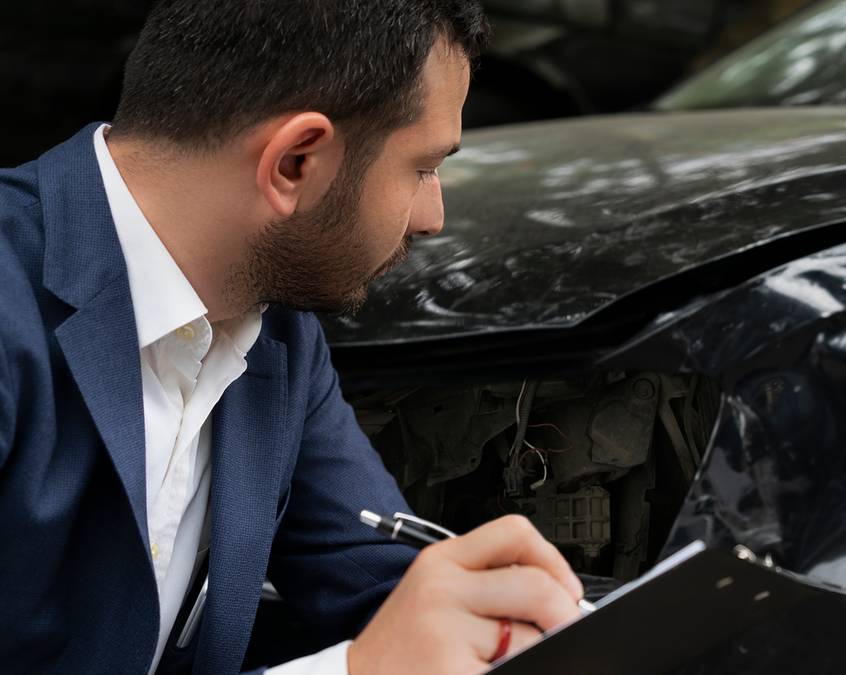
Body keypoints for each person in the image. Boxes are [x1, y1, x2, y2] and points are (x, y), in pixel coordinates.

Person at [0, 1, 585, 673]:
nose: (433, 216)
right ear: (295, 163)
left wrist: (517, 626)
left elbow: (380, 580)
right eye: (423, 168)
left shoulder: (278, 331)